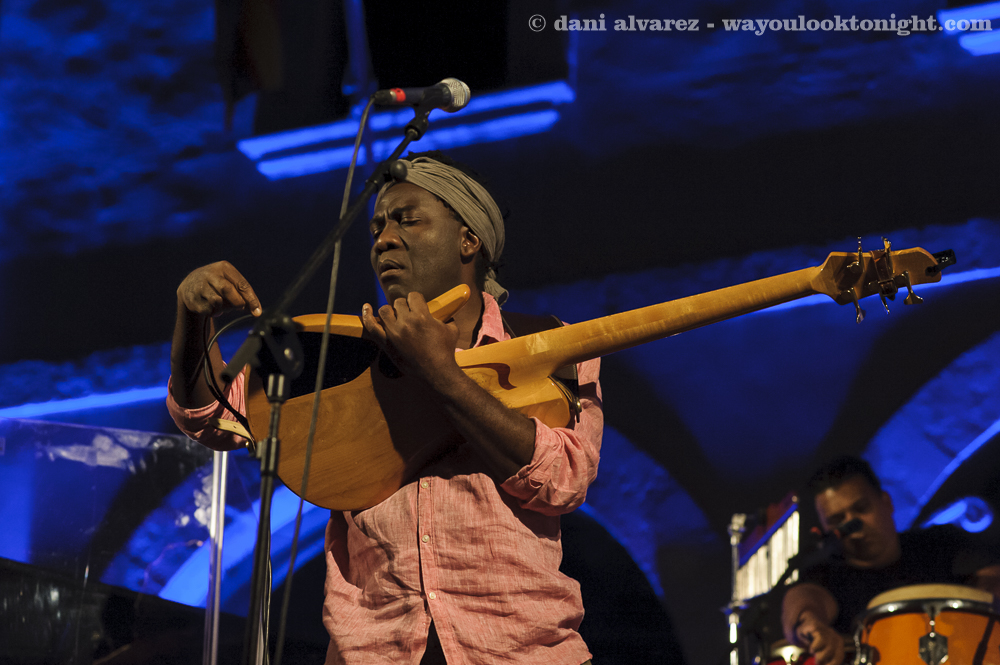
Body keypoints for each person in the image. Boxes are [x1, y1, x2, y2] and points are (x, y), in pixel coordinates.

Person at [167, 152, 603, 665]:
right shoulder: (338, 353)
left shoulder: (550, 344)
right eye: (377, 227)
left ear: (469, 240)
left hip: (521, 652)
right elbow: (210, 417)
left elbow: (562, 480)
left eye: (407, 220)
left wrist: (440, 373)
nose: (384, 239)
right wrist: (191, 321)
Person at [781, 455, 1000, 665]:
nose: (853, 527)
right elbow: (804, 599)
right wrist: (811, 623)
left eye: (861, 509)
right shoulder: (828, 575)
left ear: (886, 502)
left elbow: (990, 576)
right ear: (826, 529)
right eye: (838, 520)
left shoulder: (940, 542)